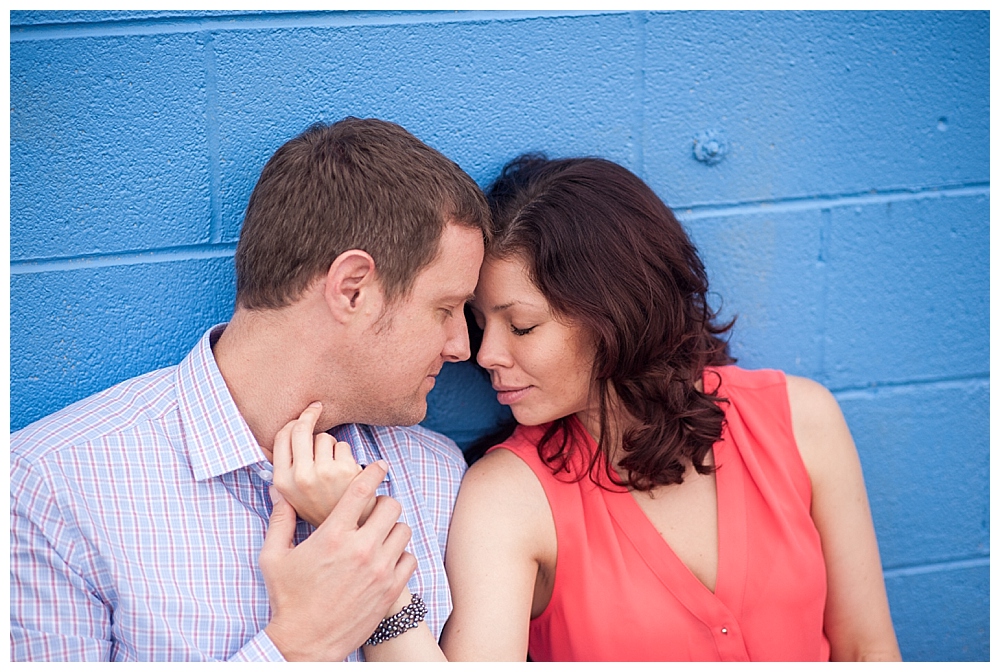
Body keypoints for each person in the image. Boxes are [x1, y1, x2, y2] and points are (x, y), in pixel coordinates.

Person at [274, 155, 903, 661]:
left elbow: (867, 648)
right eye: (475, 321)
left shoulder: (803, 421)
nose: (482, 353)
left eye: (520, 326)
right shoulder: (509, 497)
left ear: (612, 317)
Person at [9, 117, 489, 661]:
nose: (461, 347)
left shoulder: (437, 475)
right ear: (352, 290)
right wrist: (299, 645)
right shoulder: (51, 491)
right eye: (445, 309)